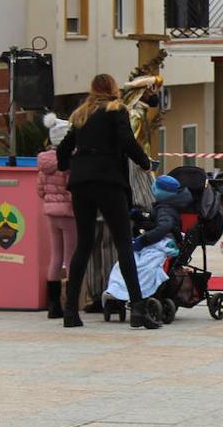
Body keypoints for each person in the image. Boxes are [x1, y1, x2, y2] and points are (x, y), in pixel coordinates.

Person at [55, 74, 159, 329]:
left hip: (82, 183)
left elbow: (63, 148)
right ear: (113, 89)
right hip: (109, 181)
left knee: (84, 244)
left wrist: (67, 166)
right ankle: (137, 309)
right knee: (123, 243)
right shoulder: (117, 110)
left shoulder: (81, 114)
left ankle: (70, 313)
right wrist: (145, 164)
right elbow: (127, 141)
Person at [36, 114, 75, 320]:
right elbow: (73, 188)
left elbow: (40, 190)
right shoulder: (70, 160)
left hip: (50, 212)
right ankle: (69, 303)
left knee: (55, 256)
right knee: (70, 258)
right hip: (69, 213)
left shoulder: (44, 162)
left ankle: (53, 306)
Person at [134, 174, 190, 252]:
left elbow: (164, 226)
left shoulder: (165, 209)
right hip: (169, 237)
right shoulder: (169, 204)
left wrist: (144, 240)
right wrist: (140, 215)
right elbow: (157, 219)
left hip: (164, 242)